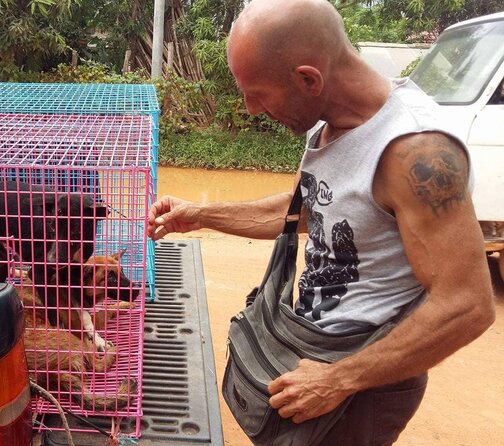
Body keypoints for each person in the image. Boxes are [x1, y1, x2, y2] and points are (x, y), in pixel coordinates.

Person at [146, 0, 496, 444]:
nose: (251, 109)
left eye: (257, 94)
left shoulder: (417, 153)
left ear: (308, 79)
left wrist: (340, 379)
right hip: (312, 348)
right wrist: (200, 213)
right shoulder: (328, 123)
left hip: (362, 383)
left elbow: (467, 304)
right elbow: (309, 212)